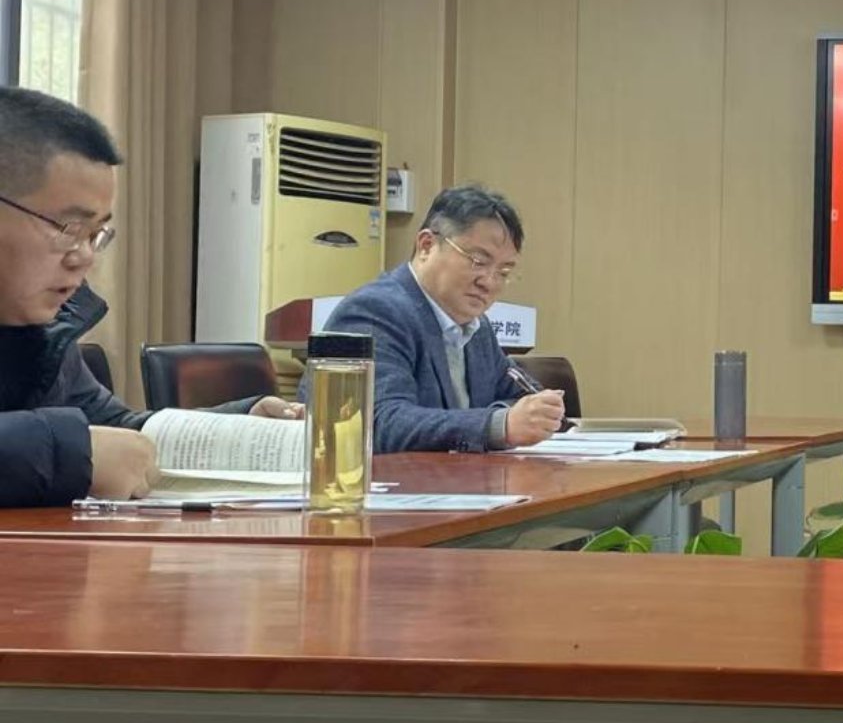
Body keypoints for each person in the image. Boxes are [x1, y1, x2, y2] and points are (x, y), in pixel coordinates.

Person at [0, 87, 299, 509]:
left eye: (96, 235)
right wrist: (74, 452)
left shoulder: (48, 324)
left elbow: (112, 428)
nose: (84, 257)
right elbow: (85, 445)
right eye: (69, 229)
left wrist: (238, 427)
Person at [312, 184, 565, 454]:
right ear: (426, 245)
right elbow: (377, 423)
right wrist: (497, 425)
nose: (489, 282)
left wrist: (525, 415)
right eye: (478, 261)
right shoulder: (374, 311)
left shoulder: (476, 327)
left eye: (503, 272)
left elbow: (522, 395)